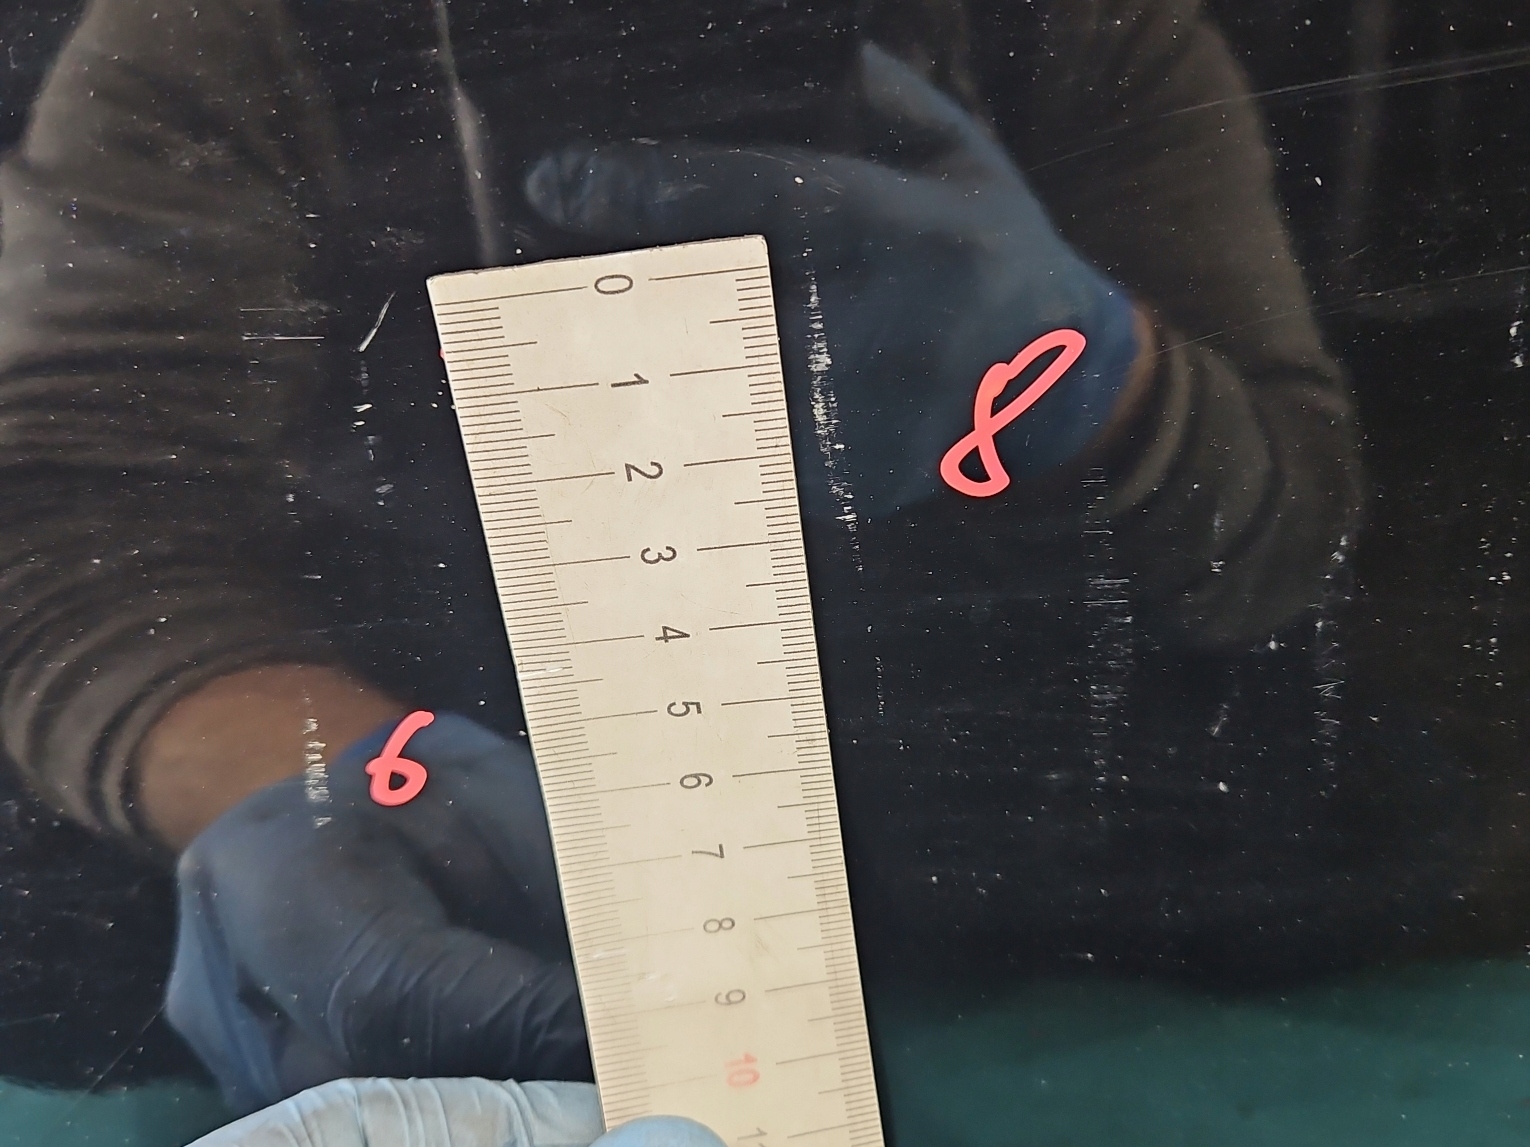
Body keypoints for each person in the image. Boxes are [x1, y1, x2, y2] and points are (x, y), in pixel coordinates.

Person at [0, 0, 1472, 1121]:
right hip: (460, 747)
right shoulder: (227, 36)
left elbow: (1295, 540)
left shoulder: (1083, 30)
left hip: (1004, 771)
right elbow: (67, 513)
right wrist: (315, 783)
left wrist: (1100, 380)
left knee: (1371, 816)